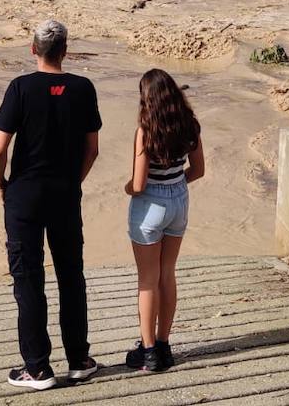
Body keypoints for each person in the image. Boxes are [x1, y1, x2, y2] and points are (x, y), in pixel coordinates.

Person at [0, 19, 102, 390]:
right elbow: (92, 150)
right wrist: (74, 182)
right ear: (65, 50)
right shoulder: (83, 88)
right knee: (71, 276)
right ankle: (79, 360)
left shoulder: (20, 88)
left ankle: (37, 368)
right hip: (65, 195)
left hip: (25, 195)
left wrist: (3, 187)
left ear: (32, 49)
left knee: (29, 280)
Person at [124, 69, 206, 374]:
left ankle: (148, 353)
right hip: (178, 202)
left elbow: (140, 182)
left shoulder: (146, 130)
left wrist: (126, 188)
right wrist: (175, 183)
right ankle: (163, 345)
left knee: (147, 280)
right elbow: (197, 170)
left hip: (150, 206)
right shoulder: (190, 125)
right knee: (167, 274)